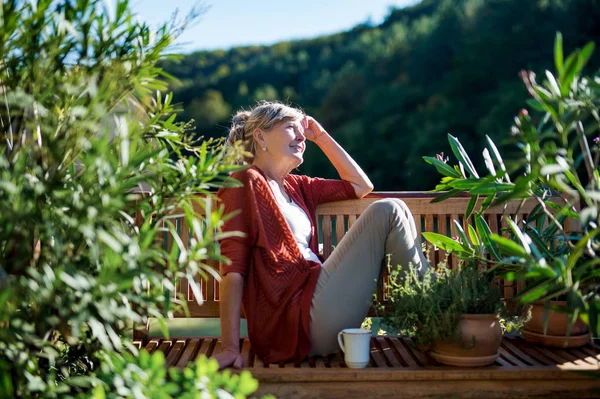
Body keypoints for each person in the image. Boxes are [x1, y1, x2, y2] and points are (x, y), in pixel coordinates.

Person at [215, 101, 428, 369]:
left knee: (395, 209)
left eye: (302, 131)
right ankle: (435, 320)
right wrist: (229, 347)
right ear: (260, 136)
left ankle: (433, 320)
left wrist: (322, 137)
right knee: (389, 209)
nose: (302, 137)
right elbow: (232, 269)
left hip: (319, 302)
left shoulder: (297, 187)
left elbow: (361, 185)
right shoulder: (245, 182)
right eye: (291, 128)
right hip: (296, 320)